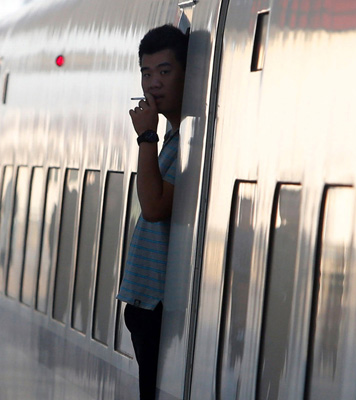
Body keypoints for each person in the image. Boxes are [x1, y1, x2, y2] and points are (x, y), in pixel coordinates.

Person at [116, 24, 188, 400]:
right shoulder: (176, 138)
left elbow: (155, 206)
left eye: (165, 71)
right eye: (146, 73)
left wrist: (146, 137)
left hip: (160, 308)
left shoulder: (184, 143)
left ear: (185, 74)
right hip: (146, 304)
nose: (153, 83)